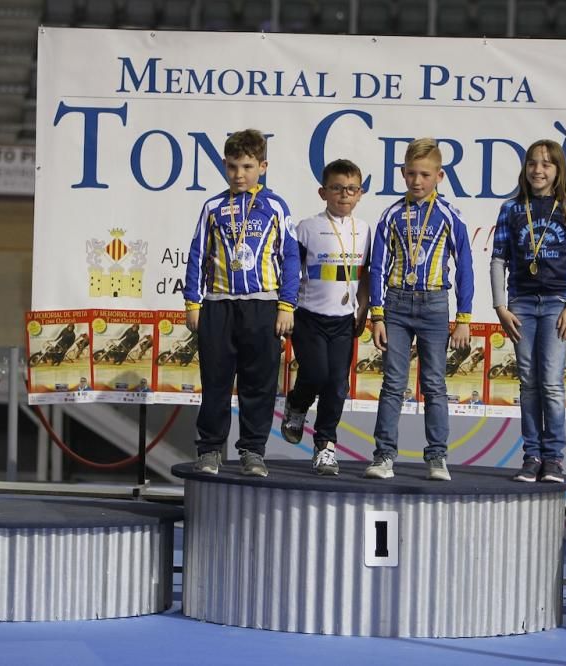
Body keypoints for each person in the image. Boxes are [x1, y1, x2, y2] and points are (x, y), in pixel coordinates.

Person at [183, 128, 299, 477]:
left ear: (262, 166)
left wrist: (286, 305)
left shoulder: (275, 206)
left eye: (247, 166)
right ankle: (209, 450)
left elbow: (290, 257)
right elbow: (196, 254)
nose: (239, 174)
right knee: (215, 381)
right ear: (224, 165)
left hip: (262, 305)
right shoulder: (213, 207)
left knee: (258, 382)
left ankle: (252, 450)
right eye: (232, 166)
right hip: (218, 305)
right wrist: (192, 302)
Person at [365, 137, 474, 481]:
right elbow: (378, 267)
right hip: (396, 303)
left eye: (425, 175)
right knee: (393, 382)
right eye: (411, 173)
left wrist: (464, 319)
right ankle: (383, 456)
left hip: (434, 304)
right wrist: (377, 314)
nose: (417, 181)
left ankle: (437, 457)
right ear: (401, 174)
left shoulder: (448, 215)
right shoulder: (392, 214)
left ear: (440, 176)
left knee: (434, 384)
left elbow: (466, 267)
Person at [491, 139, 566, 483]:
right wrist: (500, 306)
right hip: (521, 305)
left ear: (558, 171)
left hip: (556, 305)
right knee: (528, 383)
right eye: (533, 163)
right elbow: (499, 259)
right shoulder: (511, 210)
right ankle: (531, 455)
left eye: (546, 164)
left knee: (550, 382)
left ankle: (554, 458)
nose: (538, 170)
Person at [281, 159, 371, 476]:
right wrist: (286, 308)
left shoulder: (364, 230)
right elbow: (290, 272)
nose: (343, 195)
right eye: (336, 188)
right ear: (323, 192)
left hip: (344, 320)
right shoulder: (306, 227)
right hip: (309, 317)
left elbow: (366, 274)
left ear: (360, 193)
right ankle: (296, 403)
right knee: (317, 374)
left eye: (351, 189)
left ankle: (325, 447)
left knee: (337, 385)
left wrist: (364, 307)